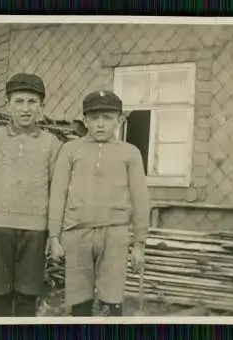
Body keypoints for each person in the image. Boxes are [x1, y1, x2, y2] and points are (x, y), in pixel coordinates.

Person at [48, 90, 150, 317]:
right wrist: (54, 237)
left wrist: (139, 243)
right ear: (85, 120)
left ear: (119, 120)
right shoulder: (71, 150)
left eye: (107, 118)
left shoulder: (130, 153)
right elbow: (58, 193)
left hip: (115, 234)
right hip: (77, 234)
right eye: (94, 119)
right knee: (79, 299)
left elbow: (140, 199)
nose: (101, 124)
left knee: (110, 300)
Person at [0, 73, 62, 317]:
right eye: (18, 101)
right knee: (0, 295)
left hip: (35, 231)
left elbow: (58, 191)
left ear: (41, 107)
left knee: (27, 297)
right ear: (8, 105)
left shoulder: (51, 144)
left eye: (32, 102)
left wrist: (54, 234)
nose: (25, 108)